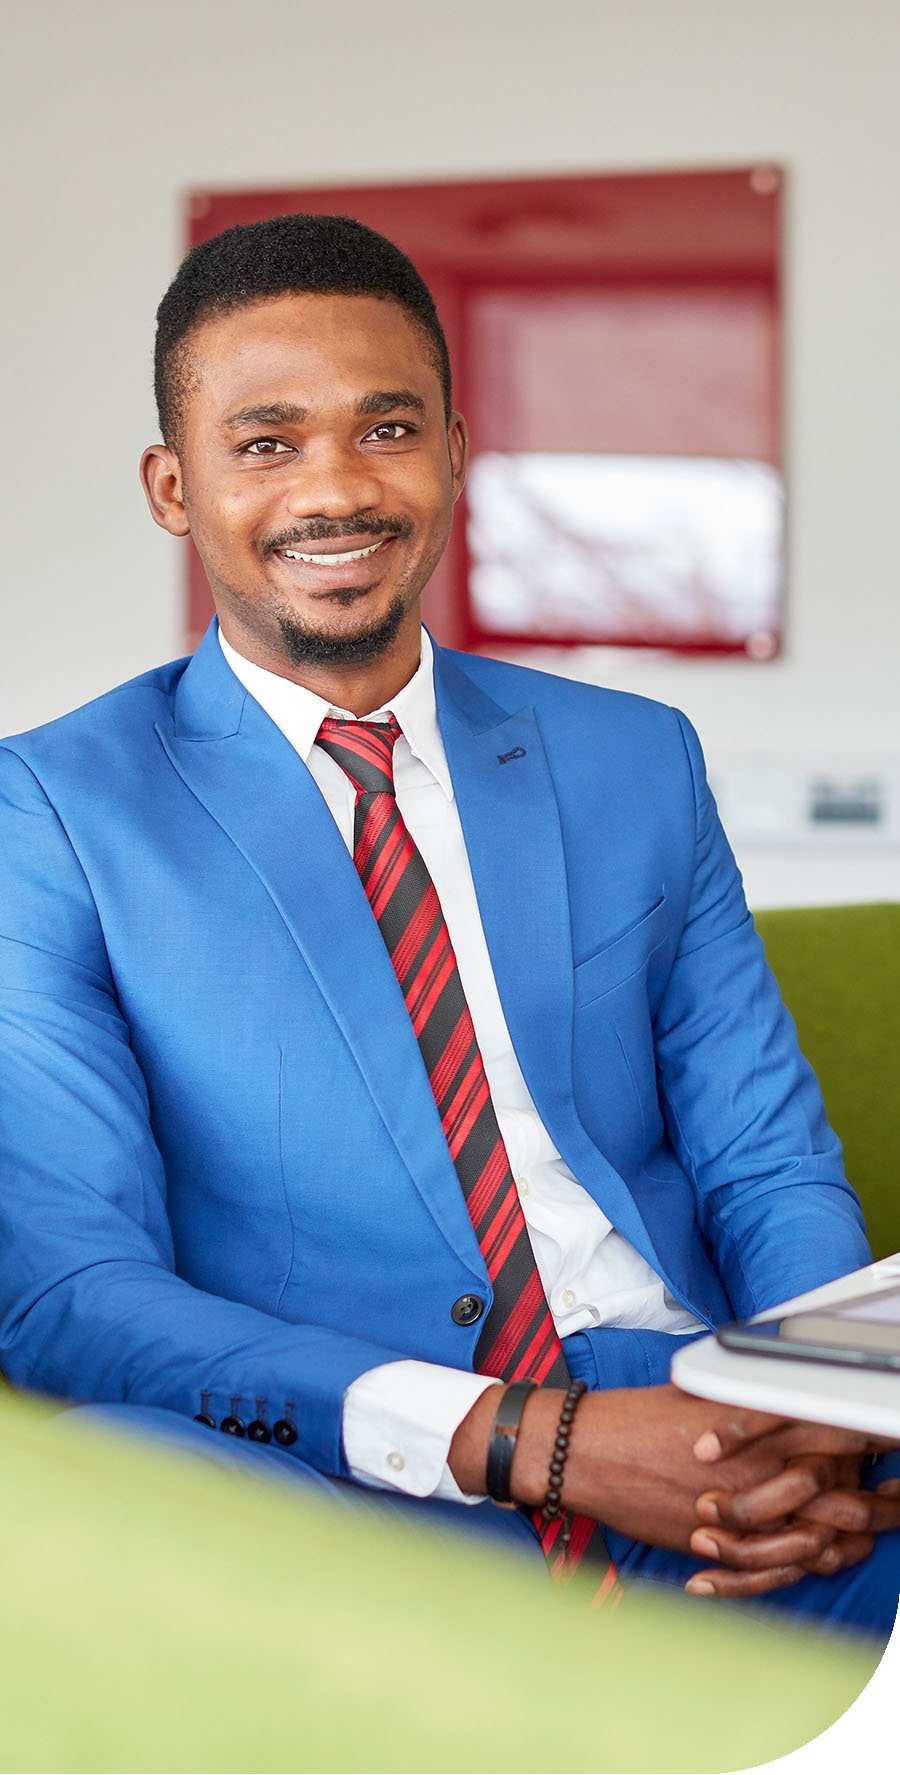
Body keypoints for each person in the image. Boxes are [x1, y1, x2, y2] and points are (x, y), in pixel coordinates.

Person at [1, 213, 898, 1638]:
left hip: (709, 1418)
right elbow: (70, 1288)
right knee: (107, 1487)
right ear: (174, 487)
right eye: (266, 443)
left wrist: (823, 1415)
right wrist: (525, 1438)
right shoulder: (53, 810)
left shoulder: (634, 756)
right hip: (356, 1459)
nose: (336, 488)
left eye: (388, 429)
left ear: (457, 452)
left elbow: (763, 1155)